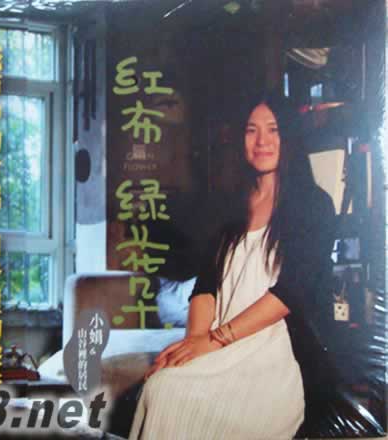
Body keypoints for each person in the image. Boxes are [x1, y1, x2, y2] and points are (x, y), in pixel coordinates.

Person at [128, 92, 338, 440]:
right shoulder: (229, 205)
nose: (261, 141)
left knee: (169, 393)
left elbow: (292, 292)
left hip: (272, 356)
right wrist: (193, 344)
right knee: (160, 386)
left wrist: (214, 340)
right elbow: (206, 286)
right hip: (220, 343)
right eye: (251, 130)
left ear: (290, 135)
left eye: (273, 129)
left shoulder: (314, 205)